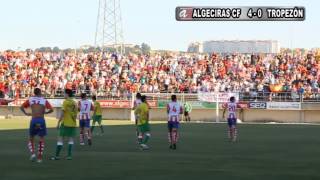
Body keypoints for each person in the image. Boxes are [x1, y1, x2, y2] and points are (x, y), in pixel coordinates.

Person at [20, 88, 54, 163]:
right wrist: (46, 113)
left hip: (34, 120)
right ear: (40, 92)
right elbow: (52, 109)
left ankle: (32, 154)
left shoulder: (30, 99)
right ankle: (39, 157)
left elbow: (21, 107)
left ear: (34, 93)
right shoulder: (44, 100)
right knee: (41, 138)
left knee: (31, 137)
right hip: (41, 120)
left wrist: (26, 113)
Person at [51, 89, 78, 160]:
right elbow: (77, 111)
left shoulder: (65, 102)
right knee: (71, 139)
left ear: (67, 94)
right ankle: (69, 156)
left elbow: (62, 113)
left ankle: (57, 156)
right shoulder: (75, 102)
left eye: (64, 93)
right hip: (73, 123)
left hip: (65, 123)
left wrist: (58, 122)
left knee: (60, 139)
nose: (63, 95)